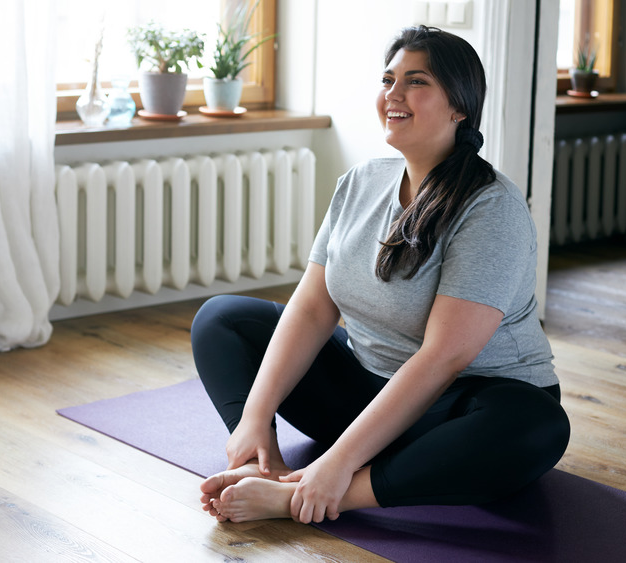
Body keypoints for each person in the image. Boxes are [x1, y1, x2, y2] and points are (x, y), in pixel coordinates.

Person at [190, 25, 570, 525]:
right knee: (223, 317)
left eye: (416, 82)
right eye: (388, 79)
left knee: (537, 427)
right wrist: (254, 419)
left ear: (459, 106)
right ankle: (265, 464)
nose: (393, 94)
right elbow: (311, 306)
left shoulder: (491, 207)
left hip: (455, 407)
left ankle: (314, 495)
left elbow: (443, 358)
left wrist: (334, 468)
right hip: (366, 390)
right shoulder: (361, 181)